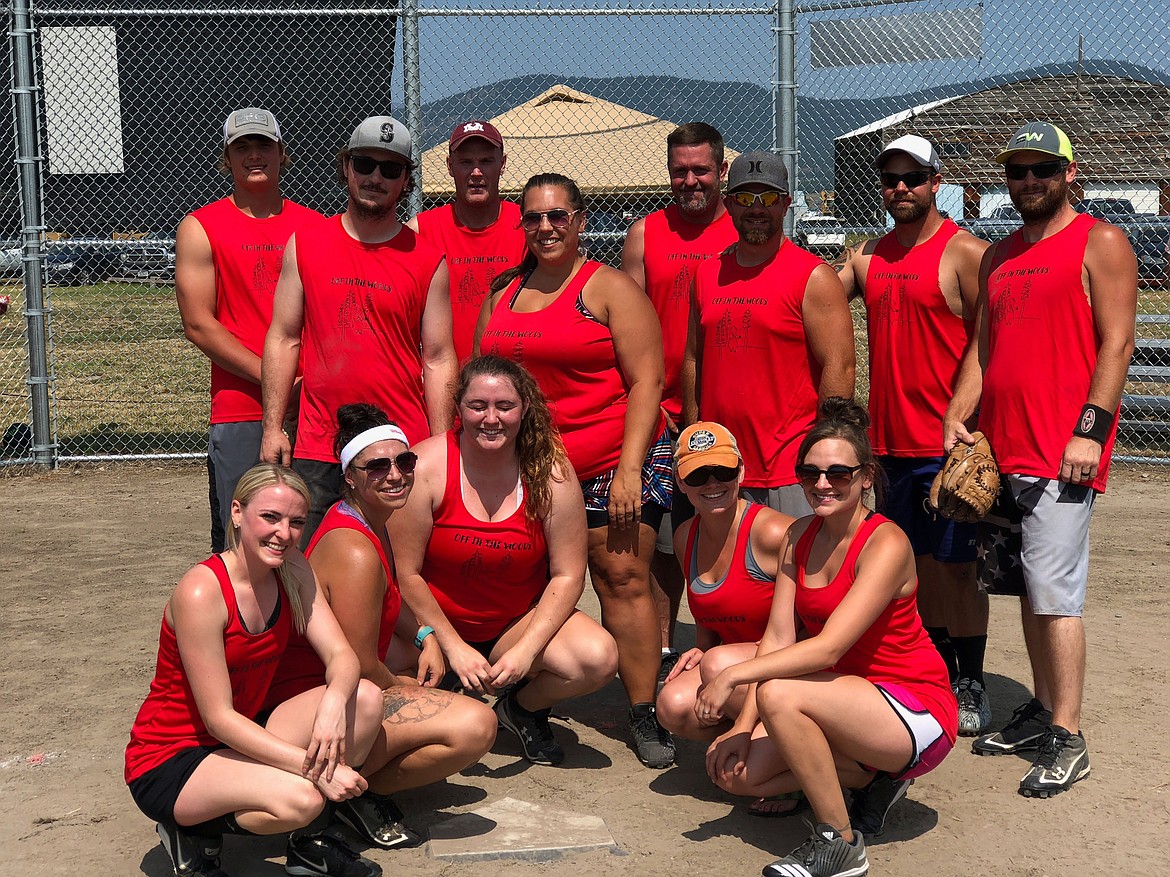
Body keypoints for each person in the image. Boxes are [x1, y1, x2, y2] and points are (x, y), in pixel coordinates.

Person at [944, 122, 1137, 797]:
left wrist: (1091, 431)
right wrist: (958, 413)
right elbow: (983, 349)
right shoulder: (998, 256)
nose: (1029, 181)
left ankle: (1069, 734)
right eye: (1018, 171)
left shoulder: (1099, 241)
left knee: (1056, 596)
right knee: (1023, 588)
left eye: (1042, 170)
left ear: (1069, 173)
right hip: (1003, 452)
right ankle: (1041, 711)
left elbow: (1116, 344)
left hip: (1063, 454)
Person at [696, 398, 957, 877]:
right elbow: (777, 638)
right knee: (735, 776)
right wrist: (739, 727)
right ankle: (871, 779)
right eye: (810, 472)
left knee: (779, 693)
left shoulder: (886, 542)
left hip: (913, 708)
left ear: (865, 476)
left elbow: (828, 647)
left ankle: (839, 844)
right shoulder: (799, 535)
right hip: (846, 700)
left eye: (839, 473)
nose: (822, 484)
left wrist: (731, 676)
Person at [475, 175, 675, 768]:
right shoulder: (505, 293)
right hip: (532, 469)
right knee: (528, 589)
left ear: (581, 220)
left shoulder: (607, 288)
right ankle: (523, 694)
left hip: (608, 462)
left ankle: (645, 710)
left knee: (622, 579)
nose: (545, 228)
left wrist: (630, 470)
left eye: (558, 216)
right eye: (534, 218)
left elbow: (648, 383)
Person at [124, 464, 386, 877]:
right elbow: (218, 718)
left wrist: (334, 704)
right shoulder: (201, 591)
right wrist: (316, 768)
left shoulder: (293, 569)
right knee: (304, 797)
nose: (284, 533)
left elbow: (343, 656)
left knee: (365, 699)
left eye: (297, 522)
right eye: (270, 517)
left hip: (244, 733)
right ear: (237, 512)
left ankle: (309, 846)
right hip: (174, 756)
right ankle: (189, 830)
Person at [263, 403, 497, 849]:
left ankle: (349, 775)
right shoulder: (355, 550)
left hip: (331, 689)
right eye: (377, 467)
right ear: (349, 476)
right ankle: (349, 791)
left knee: (424, 667)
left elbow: (386, 598)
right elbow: (360, 668)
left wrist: (426, 635)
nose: (395, 475)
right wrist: (420, 692)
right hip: (310, 699)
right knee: (476, 726)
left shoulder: (369, 520)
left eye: (404, 461)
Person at [833, 134, 994, 736]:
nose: (901, 189)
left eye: (913, 178)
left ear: (935, 182)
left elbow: (989, 341)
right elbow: (813, 295)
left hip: (945, 444)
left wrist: (964, 412)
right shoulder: (868, 256)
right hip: (888, 446)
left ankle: (970, 678)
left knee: (955, 568)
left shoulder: (964, 253)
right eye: (891, 179)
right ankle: (935, 668)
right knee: (911, 565)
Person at [390, 356, 618, 766]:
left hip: (510, 625)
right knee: (379, 678)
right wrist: (451, 645)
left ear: (525, 409)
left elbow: (568, 575)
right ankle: (448, 696)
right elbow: (404, 574)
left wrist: (526, 651)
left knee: (596, 659)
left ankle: (521, 708)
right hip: (430, 624)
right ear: (458, 407)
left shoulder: (552, 473)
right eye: (478, 405)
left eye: (504, 406)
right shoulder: (425, 467)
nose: (490, 418)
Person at [261, 115, 458, 544]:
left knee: (399, 575)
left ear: (406, 179)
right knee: (306, 570)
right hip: (320, 443)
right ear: (346, 167)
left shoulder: (427, 259)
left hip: (397, 450)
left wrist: (441, 443)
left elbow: (439, 357)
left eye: (391, 169)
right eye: (365, 164)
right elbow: (283, 336)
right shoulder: (307, 243)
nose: (375, 177)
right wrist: (273, 426)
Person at [621, 122, 739, 687]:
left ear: (721, 170)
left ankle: (725, 652)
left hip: (721, 413)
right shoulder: (646, 233)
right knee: (661, 544)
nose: (690, 180)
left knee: (717, 538)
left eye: (701, 170)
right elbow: (625, 324)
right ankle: (667, 653)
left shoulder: (744, 228)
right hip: (658, 414)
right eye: (679, 171)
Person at [176, 108, 323, 552]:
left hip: (312, 407)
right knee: (243, 539)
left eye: (263, 145)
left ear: (283, 155)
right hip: (240, 407)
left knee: (310, 534)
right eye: (242, 147)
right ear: (226, 158)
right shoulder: (201, 226)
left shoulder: (316, 227)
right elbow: (199, 325)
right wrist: (276, 378)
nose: (254, 155)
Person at [682, 150, 856, 518]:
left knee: (795, 572)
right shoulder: (707, 274)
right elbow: (694, 359)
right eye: (745, 198)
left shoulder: (814, 277)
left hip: (787, 469)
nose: (756, 208)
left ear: (786, 204)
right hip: (720, 467)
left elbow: (838, 368)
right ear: (729, 205)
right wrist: (695, 432)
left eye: (769, 198)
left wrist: (820, 454)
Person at [655, 422, 794, 813]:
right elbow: (707, 615)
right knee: (673, 704)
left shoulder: (773, 533)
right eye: (698, 474)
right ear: (680, 483)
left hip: (796, 662)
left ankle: (821, 764)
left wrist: (719, 665)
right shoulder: (686, 535)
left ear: (742, 472)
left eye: (723, 471)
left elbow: (813, 622)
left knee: (717, 667)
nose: (712, 482)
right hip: (742, 665)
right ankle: (770, 748)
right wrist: (700, 648)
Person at [407, 120, 526, 364]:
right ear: (450, 166)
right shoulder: (420, 230)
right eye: (465, 163)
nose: (476, 173)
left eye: (486, 161)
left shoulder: (527, 225)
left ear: (502, 165)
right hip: (443, 375)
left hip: (514, 381)